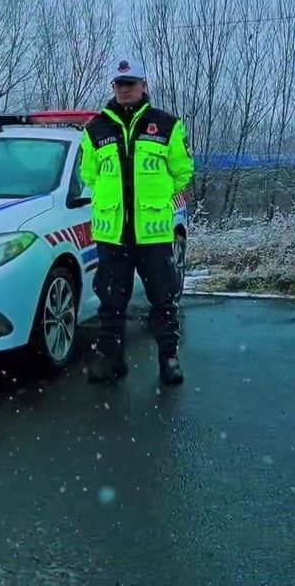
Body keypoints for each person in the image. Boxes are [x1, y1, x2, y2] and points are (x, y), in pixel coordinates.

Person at [79, 58, 195, 385]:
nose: (125, 89)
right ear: (113, 87)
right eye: (120, 84)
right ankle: (111, 360)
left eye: (131, 84)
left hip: (153, 234)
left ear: (144, 86)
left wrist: (158, 200)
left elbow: (183, 171)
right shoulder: (95, 129)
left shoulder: (167, 125)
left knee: (163, 298)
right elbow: (88, 174)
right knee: (111, 301)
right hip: (112, 235)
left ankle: (169, 358)